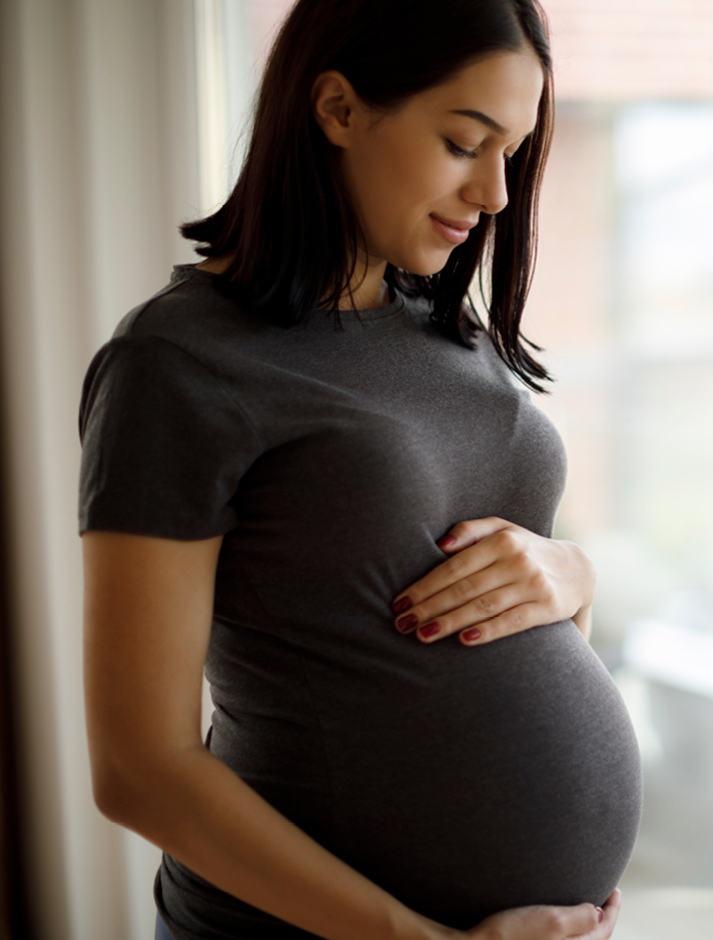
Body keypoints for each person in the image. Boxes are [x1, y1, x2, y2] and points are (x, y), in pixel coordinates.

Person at [77, 1, 643, 938]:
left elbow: (482, 597)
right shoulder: (178, 364)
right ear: (338, 109)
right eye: (466, 141)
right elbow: (140, 768)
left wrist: (573, 575)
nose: (497, 193)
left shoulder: (450, 334)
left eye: (515, 151)